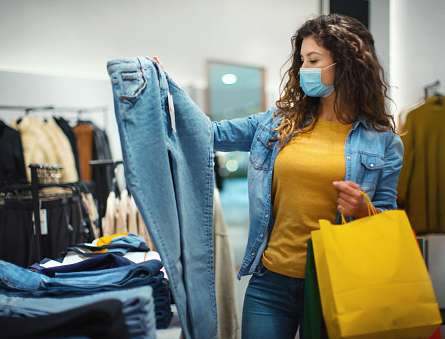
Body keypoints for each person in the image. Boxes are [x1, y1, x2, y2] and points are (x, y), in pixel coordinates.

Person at [154, 12, 403, 339]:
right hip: (270, 280)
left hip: (336, 284)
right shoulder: (278, 122)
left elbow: (387, 217)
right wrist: (164, 90)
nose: (303, 70)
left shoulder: (383, 141)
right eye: (301, 60)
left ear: (346, 65)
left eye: (313, 60)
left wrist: (363, 209)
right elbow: (206, 135)